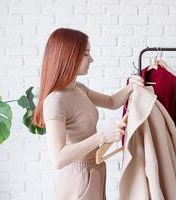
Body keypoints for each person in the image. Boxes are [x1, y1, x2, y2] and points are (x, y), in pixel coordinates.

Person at [33, 28, 143, 200]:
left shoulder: (79, 89)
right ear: (68, 56)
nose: (91, 59)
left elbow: (112, 102)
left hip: (96, 169)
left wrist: (131, 87)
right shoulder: (55, 101)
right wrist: (103, 136)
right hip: (79, 177)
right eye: (86, 54)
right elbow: (58, 159)